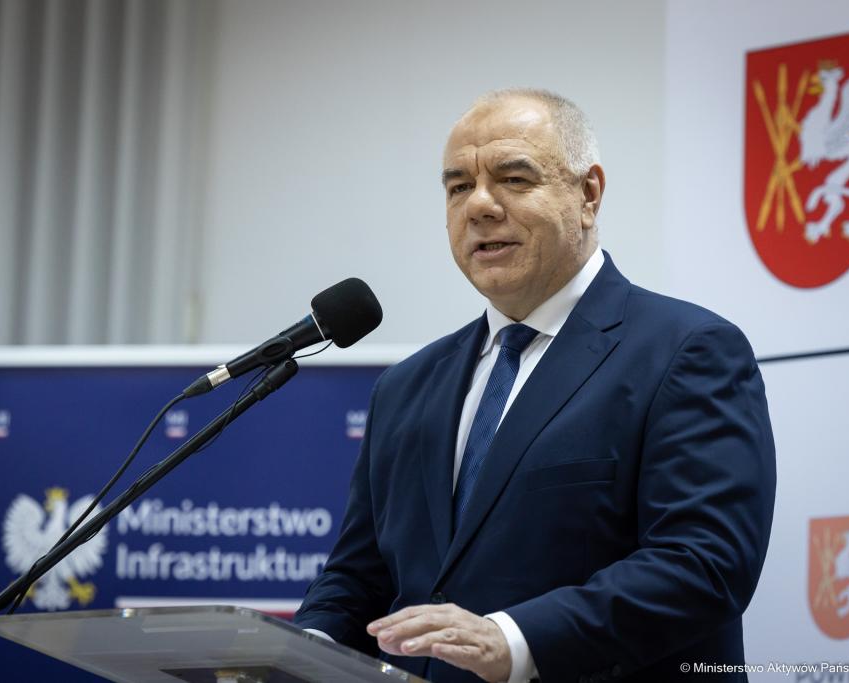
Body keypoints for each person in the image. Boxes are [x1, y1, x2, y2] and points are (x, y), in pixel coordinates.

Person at [293, 88, 776, 683]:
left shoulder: (686, 351)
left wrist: (515, 641)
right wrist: (302, 647)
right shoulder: (406, 387)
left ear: (588, 194)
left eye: (514, 179)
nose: (479, 206)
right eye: (458, 187)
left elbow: (704, 564)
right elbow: (359, 575)